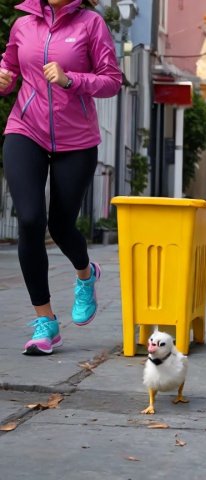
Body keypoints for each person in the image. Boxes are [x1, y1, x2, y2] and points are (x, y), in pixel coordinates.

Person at [0, 0, 122, 355]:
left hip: (77, 141)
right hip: (26, 129)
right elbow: (8, 69)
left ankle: (86, 273)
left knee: (61, 226)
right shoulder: (23, 25)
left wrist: (72, 80)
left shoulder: (91, 24)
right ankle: (45, 322)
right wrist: (3, 80)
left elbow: (112, 81)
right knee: (30, 220)